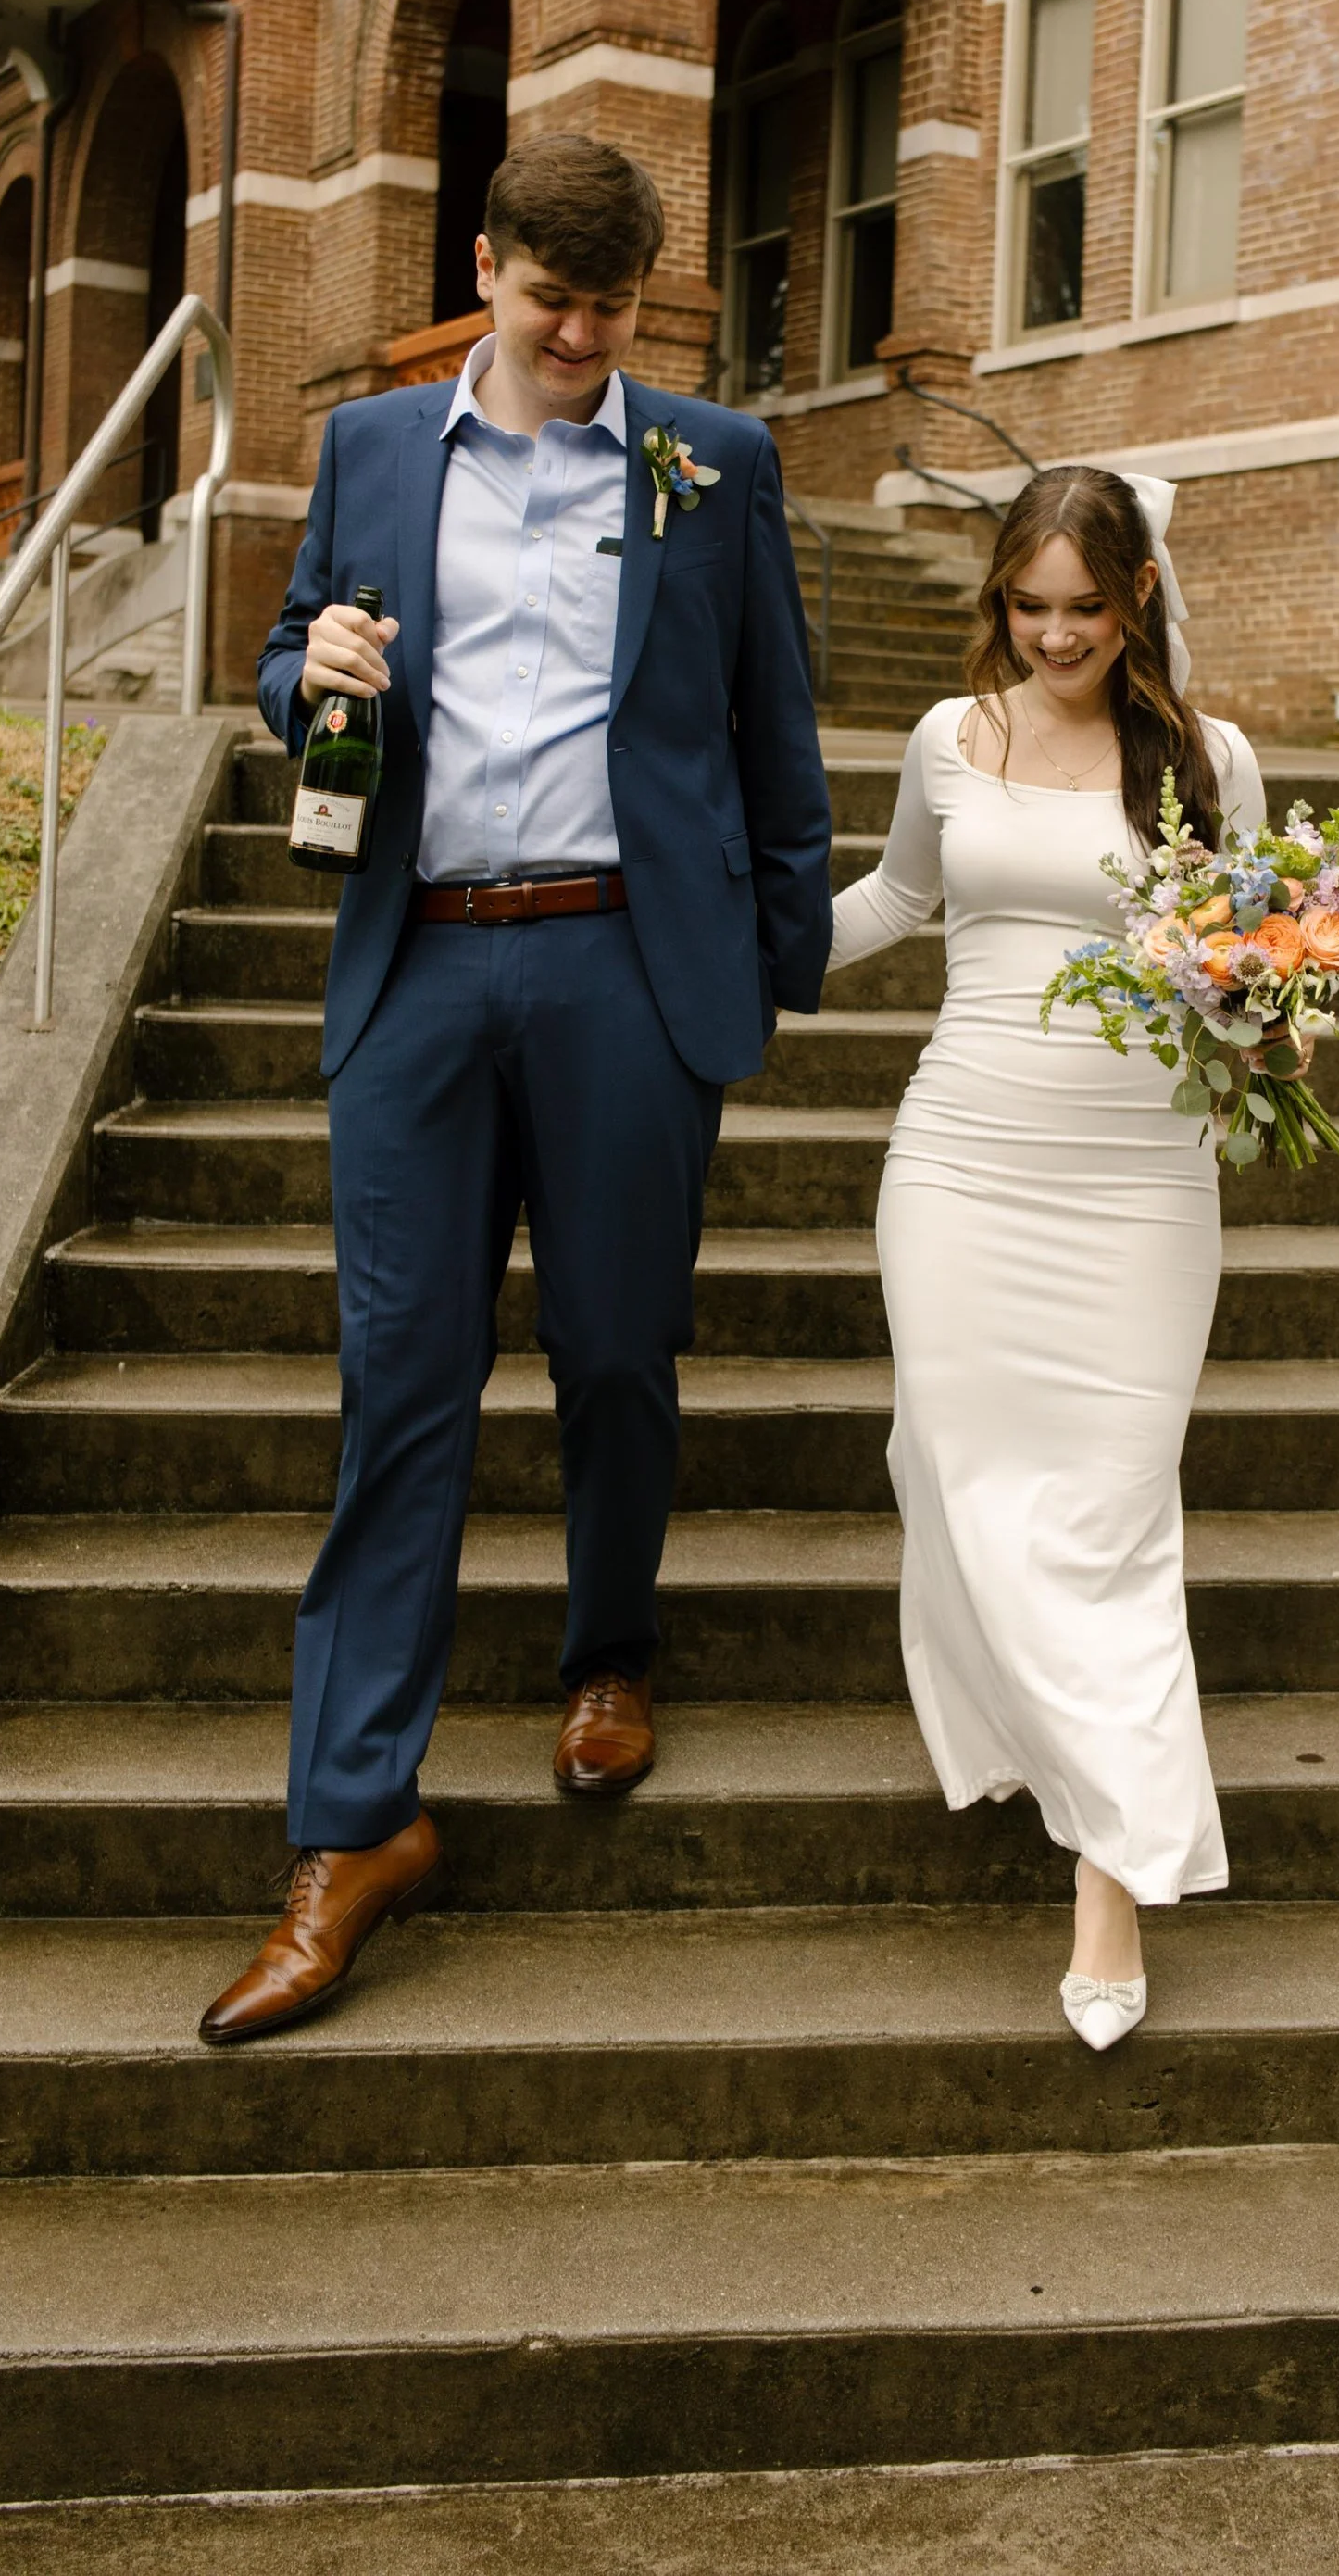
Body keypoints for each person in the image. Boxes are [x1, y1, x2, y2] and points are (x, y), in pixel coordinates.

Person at [200, 133, 832, 2046]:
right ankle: (347, 1831)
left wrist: (765, 971)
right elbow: (294, 668)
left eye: (607, 311)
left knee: (620, 1351)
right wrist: (301, 668)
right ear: (482, 267)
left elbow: (770, 722)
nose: (574, 338)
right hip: (417, 963)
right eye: (546, 302)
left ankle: (607, 1651)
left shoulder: (712, 461)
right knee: (398, 1380)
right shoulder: (377, 451)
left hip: (626, 964)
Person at [826, 462, 1263, 2051]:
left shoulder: (1210, 760)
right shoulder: (954, 738)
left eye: (1086, 606)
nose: (1057, 633)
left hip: (1141, 1186)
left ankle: (1109, 1880)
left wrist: (1270, 1015)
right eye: (1030, 605)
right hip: (961, 1165)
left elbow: (1251, 963)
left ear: (1136, 595)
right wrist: (724, 948)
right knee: (960, 1473)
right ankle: (1057, 1748)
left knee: (1107, 1515)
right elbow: (895, 896)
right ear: (997, 598)